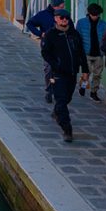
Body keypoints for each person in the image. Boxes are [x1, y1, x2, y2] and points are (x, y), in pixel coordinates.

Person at [40, 8, 89, 142]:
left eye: (66, 18)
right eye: (61, 18)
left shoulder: (74, 34)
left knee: (67, 99)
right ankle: (67, 129)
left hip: (72, 73)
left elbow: (81, 54)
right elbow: (45, 53)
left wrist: (85, 71)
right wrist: (56, 64)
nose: (64, 20)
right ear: (56, 19)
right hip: (58, 74)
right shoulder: (51, 35)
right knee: (61, 101)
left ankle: (57, 111)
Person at [27, 0, 64, 104]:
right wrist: (39, 33)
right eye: (61, 6)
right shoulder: (42, 15)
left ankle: (58, 89)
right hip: (48, 46)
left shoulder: (63, 16)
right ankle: (49, 90)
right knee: (48, 68)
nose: (63, 8)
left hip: (61, 46)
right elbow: (30, 23)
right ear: (54, 6)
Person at [75, 3, 106, 102]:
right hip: (86, 53)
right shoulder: (81, 23)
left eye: (97, 14)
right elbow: (78, 38)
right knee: (86, 73)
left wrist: (104, 50)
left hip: (99, 54)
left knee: (97, 74)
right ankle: (83, 86)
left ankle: (94, 92)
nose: (95, 16)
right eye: (93, 14)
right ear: (89, 13)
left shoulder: (104, 24)